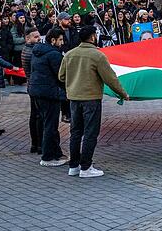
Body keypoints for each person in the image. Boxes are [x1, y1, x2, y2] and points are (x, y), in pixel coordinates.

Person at [58, 25, 130, 178]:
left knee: (75, 133)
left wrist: (74, 82)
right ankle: (86, 167)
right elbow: (110, 78)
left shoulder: (69, 54)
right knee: (90, 132)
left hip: (74, 99)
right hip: (91, 99)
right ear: (92, 37)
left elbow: (61, 76)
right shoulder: (97, 56)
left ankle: (74, 166)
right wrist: (123, 93)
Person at [30, 28, 68, 167]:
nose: (62, 43)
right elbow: (61, 76)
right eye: (60, 40)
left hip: (37, 91)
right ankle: (47, 157)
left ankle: (56, 153)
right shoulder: (54, 54)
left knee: (47, 123)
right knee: (50, 126)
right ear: (53, 40)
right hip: (49, 93)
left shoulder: (37, 51)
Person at [20, 27, 42, 153]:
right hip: (35, 86)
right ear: (28, 38)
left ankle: (35, 143)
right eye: (36, 37)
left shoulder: (30, 49)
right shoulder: (32, 52)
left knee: (35, 115)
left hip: (32, 85)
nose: (39, 39)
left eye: (39, 36)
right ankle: (38, 143)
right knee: (37, 116)